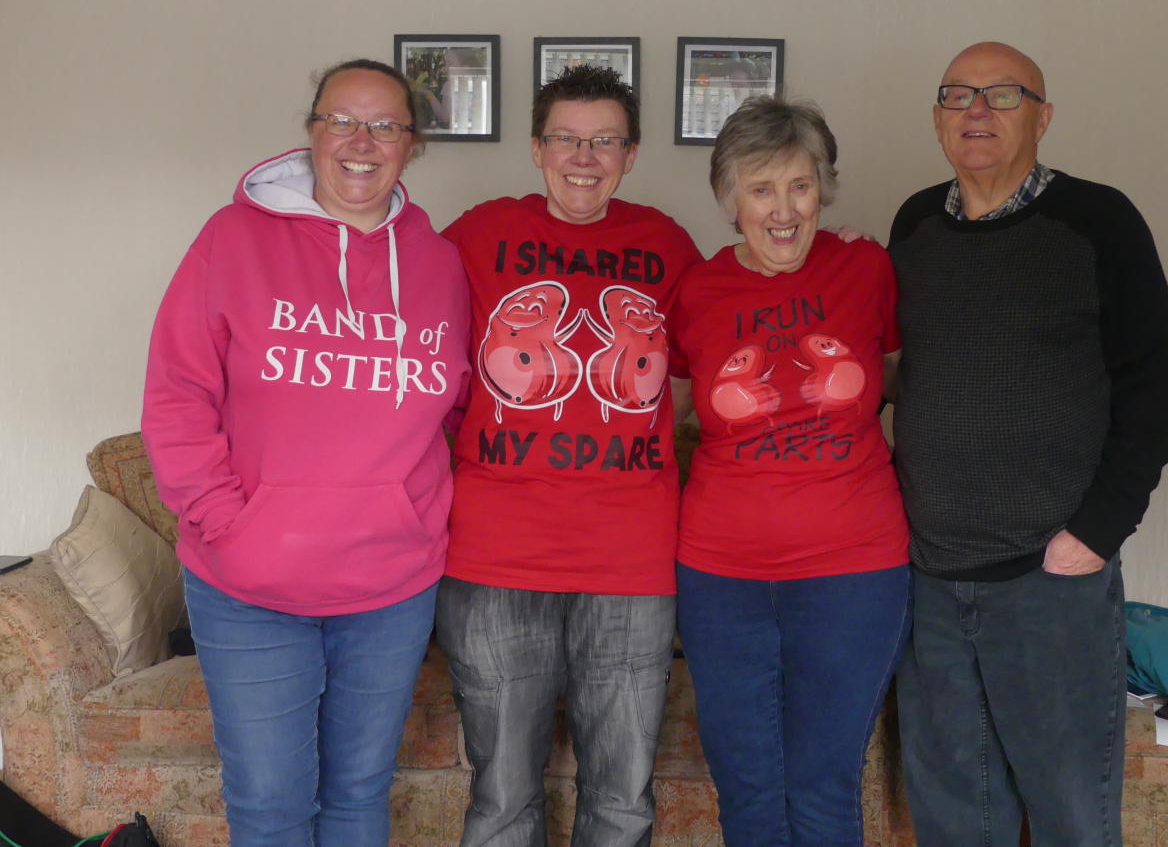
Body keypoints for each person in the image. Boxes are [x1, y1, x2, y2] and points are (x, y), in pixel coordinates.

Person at [141, 58, 471, 846]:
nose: (362, 141)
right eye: (341, 120)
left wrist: (420, 513)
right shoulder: (233, 239)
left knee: (360, 794)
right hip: (250, 584)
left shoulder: (439, 262)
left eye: (385, 124)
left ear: (411, 144)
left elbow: (457, 403)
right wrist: (229, 522)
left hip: (391, 585)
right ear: (313, 133)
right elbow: (178, 393)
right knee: (269, 805)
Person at [889, 41, 1168, 846]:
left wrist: (1098, 530)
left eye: (1003, 95)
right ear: (937, 119)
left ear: (1044, 117)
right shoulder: (914, 224)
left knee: (1071, 817)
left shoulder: (1098, 221)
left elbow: (1160, 382)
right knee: (954, 816)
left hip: (1050, 580)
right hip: (931, 579)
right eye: (958, 96)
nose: (977, 112)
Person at [436, 64, 702, 846]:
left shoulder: (666, 243)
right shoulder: (479, 233)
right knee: (502, 797)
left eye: (605, 141)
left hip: (631, 557)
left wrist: (832, 248)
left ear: (631, 153)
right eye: (566, 139)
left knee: (621, 799)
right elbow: (413, 332)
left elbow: (705, 353)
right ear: (535, 147)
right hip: (493, 556)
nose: (584, 158)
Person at [669, 96, 910, 846]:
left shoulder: (867, 267)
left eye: (800, 185)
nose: (783, 209)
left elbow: (896, 381)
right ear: (730, 200)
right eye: (761, 188)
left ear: (823, 190)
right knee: (745, 787)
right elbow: (670, 414)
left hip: (854, 571)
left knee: (822, 785)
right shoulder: (696, 292)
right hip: (720, 575)